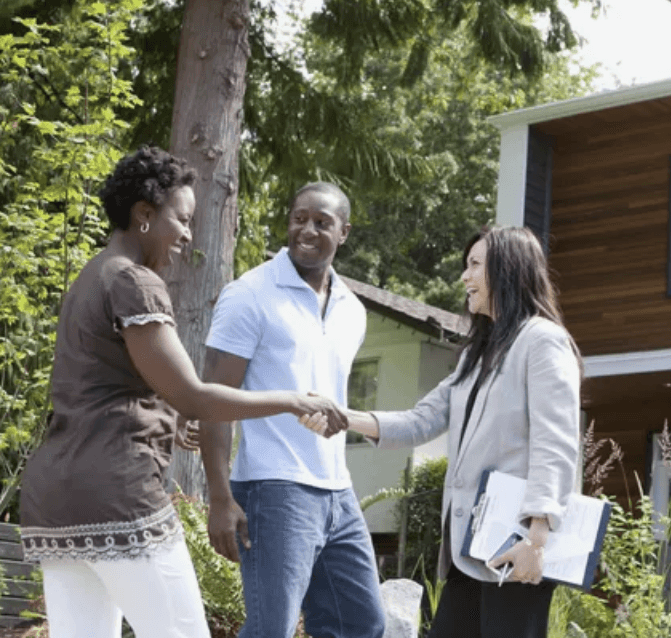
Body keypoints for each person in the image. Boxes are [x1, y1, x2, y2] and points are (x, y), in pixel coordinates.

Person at [18, 147, 345, 638]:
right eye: (183, 219)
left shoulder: (91, 276)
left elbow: (101, 388)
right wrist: (294, 400)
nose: (189, 235)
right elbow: (194, 395)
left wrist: (167, 419)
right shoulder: (134, 282)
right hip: (116, 492)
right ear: (144, 214)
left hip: (55, 499)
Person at [319, 226, 582, 638]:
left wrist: (536, 540)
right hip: (470, 548)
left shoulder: (543, 341)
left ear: (508, 270)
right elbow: (419, 421)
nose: (464, 276)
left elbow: (556, 443)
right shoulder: (477, 356)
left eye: (475, 265)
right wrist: (343, 417)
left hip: (516, 546)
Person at [198, 181, 386, 638]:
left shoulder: (352, 310)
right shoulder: (249, 294)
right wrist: (220, 498)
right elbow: (212, 401)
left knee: (360, 623)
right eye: (299, 219)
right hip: (273, 487)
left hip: (337, 489)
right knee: (272, 630)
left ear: (343, 232)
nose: (307, 230)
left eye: (322, 222)